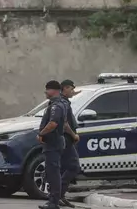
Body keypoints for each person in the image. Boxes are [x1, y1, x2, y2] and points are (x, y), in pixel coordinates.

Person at [37, 80, 67, 209]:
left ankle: (53, 202)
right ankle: (53, 201)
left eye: (47, 89)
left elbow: (53, 124)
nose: (45, 92)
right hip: (54, 143)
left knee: (53, 173)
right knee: (52, 172)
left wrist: (41, 134)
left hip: (53, 143)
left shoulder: (56, 106)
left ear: (54, 90)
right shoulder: (57, 104)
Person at [58, 80, 80, 208]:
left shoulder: (63, 101)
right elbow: (65, 124)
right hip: (66, 138)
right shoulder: (63, 103)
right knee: (73, 166)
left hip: (65, 139)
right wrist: (74, 135)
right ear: (65, 88)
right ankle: (58, 195)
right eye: (71, 89)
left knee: (64, 167)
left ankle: (59, 196)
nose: (73, 91)